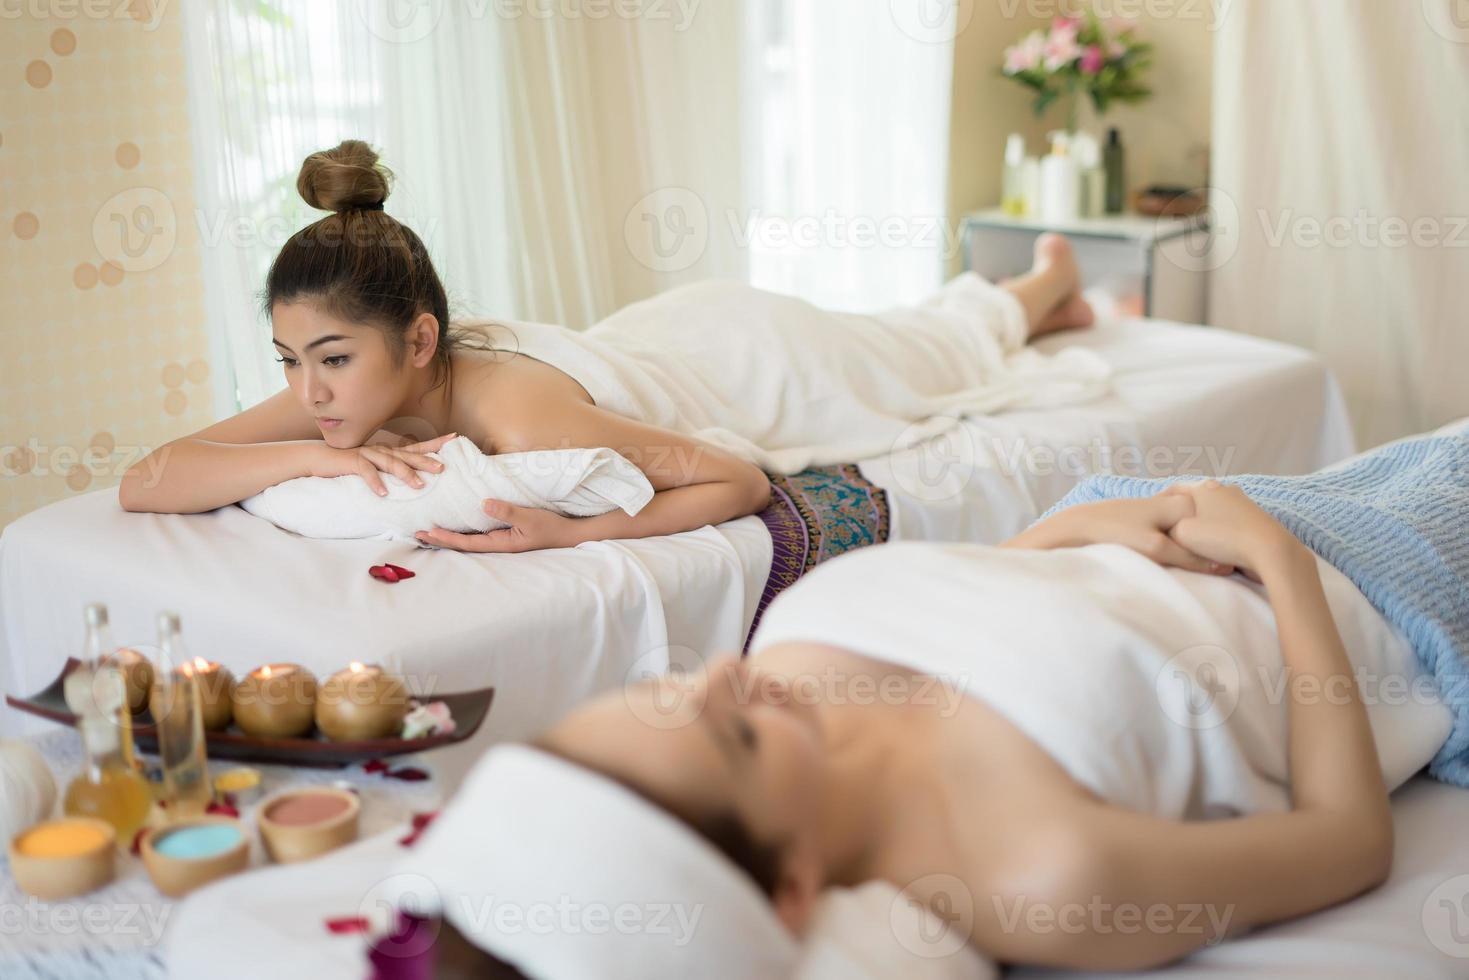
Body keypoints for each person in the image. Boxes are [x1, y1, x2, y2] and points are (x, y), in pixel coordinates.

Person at [505, 424, 1469, 971]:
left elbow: (980, 592)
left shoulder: (776, 670)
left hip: (1217, 504)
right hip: (1378, 586)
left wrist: (1096, 520)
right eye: (739, 736)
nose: (727, 675)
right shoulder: (1043, 875)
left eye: (674, 689)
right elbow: (1346, 842)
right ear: (794, 885)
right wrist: (1276, 561)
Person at [119, 139, 1103, 553]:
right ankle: (1035, 305)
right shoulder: (341, 396)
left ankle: (1041, 284)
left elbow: (735, 482)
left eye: (328, 359)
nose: (308, 387)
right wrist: (303, 448)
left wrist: (575, 534)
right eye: (288, 359)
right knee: (918, 339)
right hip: (646, 339)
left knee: (917, 349)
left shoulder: (518, 414)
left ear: (418, 339)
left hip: (755, 353)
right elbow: (148, 477)